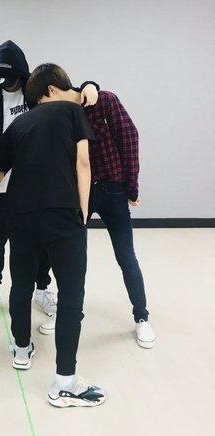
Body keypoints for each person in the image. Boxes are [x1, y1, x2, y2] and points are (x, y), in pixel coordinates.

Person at [0, 64, 106, 408]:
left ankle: (21, 349)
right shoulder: (72, 112)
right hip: (63, 213)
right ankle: (65, 382)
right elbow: (83, 163)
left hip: (20, 215)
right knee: (71, 294)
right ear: (53, 90)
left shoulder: (17, 125)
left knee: (21, 284)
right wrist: (83, 212)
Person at [0, 40, 100, 321]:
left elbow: (73, 93)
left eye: (11, 78)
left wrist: (91, 85)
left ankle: (42, 290)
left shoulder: (37, 94)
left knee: (40, 243)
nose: (6, 84)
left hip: (33, 184)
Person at [37, 69, 156, 349]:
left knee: (126, 256)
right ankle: (67, 314)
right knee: (70, 257)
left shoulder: (104, 101)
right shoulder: (61, 114)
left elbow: (129, 139)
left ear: (52, 90)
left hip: (113, 189)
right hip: (79, 193)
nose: (43, 107)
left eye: (42, 100)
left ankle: (141, 317)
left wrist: (131, 187)